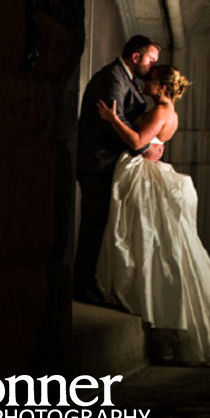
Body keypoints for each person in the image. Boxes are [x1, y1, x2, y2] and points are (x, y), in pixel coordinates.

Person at [95, 63, 210, 367]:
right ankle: (162, 332)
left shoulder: (161, 112)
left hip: (145, 175)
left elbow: (139, 142)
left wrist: (113, 119)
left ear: (163, 88)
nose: (145, 83)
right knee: (154, 245)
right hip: (152, 170)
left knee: (146, 241)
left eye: (151, 81)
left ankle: (160, 327)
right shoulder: (169, 112)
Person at [74, 34, 163, 304]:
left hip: (108, 164)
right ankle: (81, 287)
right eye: (151, 59)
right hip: (98, 163)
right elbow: (115, 121)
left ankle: (91, 283)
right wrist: (143, 146)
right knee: (93, 225)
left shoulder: (128, 80)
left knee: (103, 227)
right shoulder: (113, 77)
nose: (153, 65)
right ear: (136, 57)